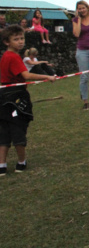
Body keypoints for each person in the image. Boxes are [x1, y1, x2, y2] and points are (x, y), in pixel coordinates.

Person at [0, 25, 56, 176]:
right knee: (17, 129)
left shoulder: (5, 56)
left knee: (4, 130)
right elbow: (26, 75)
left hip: (3, 96)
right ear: (7, 42)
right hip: (15, 99)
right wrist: (47, 76)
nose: (20, 42)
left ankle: (2, 165)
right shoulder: (13, 57)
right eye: (15, 39)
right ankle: (21, 163)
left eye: (21, 38)